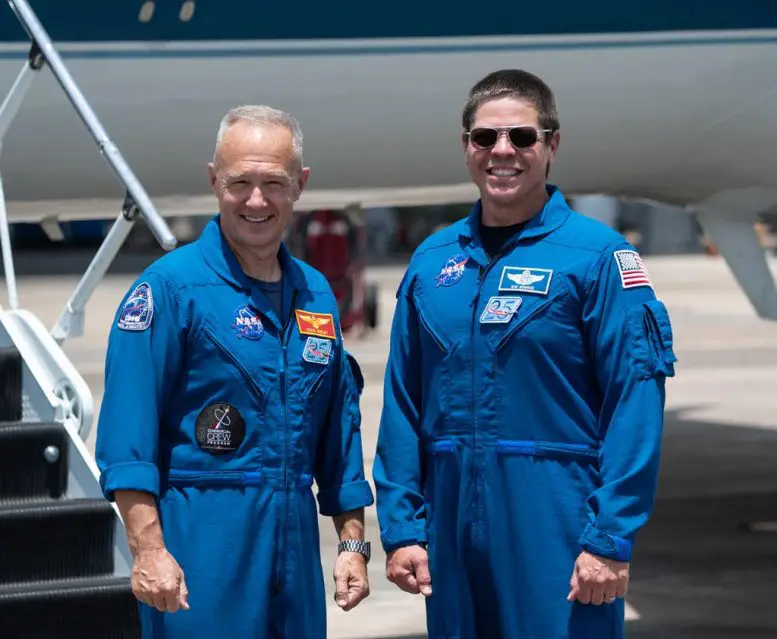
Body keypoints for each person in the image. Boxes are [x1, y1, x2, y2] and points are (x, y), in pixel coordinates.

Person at [373, 69, 677, 638]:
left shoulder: (597, 258)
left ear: (551, 145)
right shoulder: (432, 263)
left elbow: (634, 402)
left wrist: (609, 538)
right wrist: (402, 528)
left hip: (557, 527)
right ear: (466, 147)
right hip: (451, 535)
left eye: (522, 137)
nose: (502, 151)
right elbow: (402, 404)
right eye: (485, 138)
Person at [95, 105, 374, 638]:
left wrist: (352, 544)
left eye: (273, 182)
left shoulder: (316, 294)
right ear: (213, 180)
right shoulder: (171, 289)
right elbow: (126, 441)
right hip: (202, 546)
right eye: (240, 182)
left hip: (293, 548)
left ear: (300, 185)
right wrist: (149, 550)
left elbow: (339, 434)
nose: (255, 200)